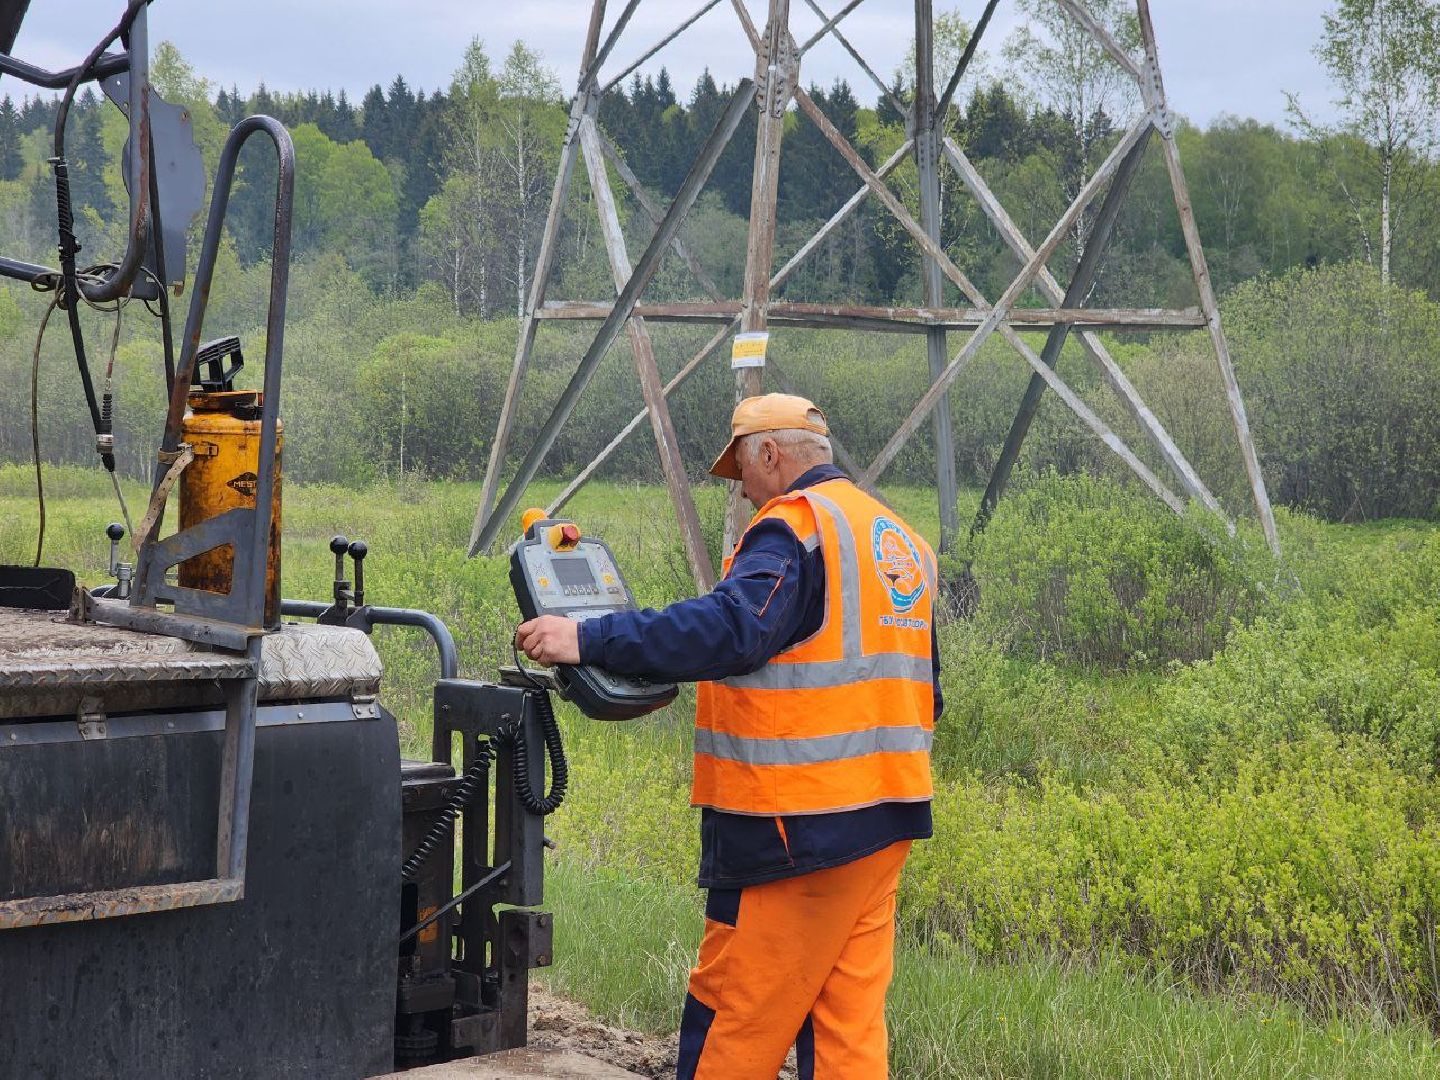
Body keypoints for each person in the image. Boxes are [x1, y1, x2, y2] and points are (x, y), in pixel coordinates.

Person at [517, 393, 941, 1079]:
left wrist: (585, 635)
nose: (741, 490)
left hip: (796, 832)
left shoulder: (794, 529)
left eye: (740, 469)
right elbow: (929, 689)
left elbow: (731, 628)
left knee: (735, 1018)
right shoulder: (897, 539)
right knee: (846, 1030)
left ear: (769, 454)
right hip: (884, 823)